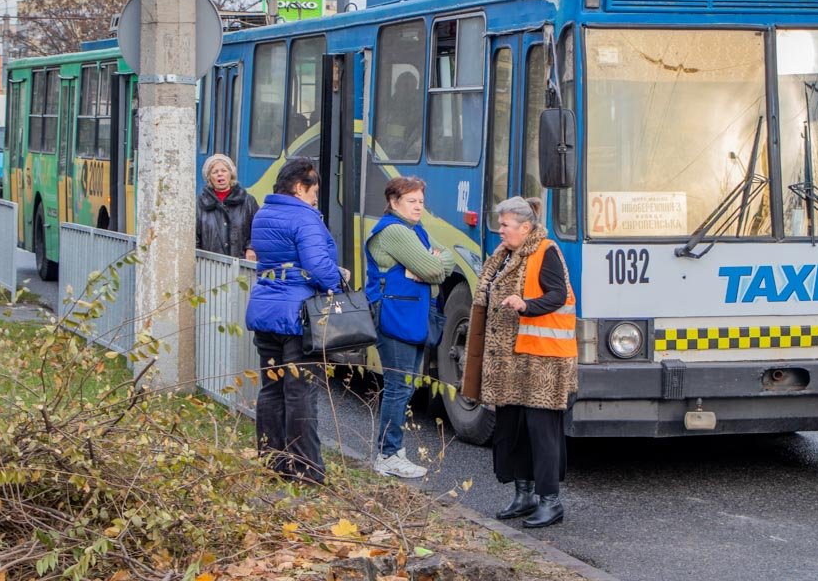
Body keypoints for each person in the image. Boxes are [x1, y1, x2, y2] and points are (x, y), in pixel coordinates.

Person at [463, 196, 577, 529]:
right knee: (512, 429)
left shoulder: (546, 252)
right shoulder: (504, 254)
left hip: (541, 361)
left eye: (505, 225)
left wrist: (526, 305)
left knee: (542, 432)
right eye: (500, 224)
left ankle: (550, 501)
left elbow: (558, 295)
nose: (500, 230)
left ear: (525, 227)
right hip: (509, 362)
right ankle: (523, 493)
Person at [245, 158, 347, 484]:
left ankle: (273, 463)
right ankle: (306, 470)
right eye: (314, 191)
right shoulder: (304, 217)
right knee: (301, 393)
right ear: (300, 187)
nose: (316, 198)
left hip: (265, 313)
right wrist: (338, 279)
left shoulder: (263, 214)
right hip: (298, 317)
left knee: (272, 389)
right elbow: (318, 266)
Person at [365, 176, 455, 478]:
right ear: (393, 202)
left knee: (404, 385)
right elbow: (433, 267)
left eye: (421, 201)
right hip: (396, 315)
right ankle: (388, 454)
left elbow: (450, 258)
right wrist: (428, 268)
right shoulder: (395, 231)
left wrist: (429, 268)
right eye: (411, 201)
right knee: (398, 386)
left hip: (408, 314)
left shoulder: (416, 230)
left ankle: (393, 450)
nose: (419, 207)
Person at [195, 154, 259, 261]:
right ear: (209, 177)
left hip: (241, 265)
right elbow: (193, 237)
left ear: (231, 174)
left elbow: (260, 229)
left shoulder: (248, 201)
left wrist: (251, 248)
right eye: (215, 172)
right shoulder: (199, 203)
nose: (220, 174)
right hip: (210, 267)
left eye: (224, 171)